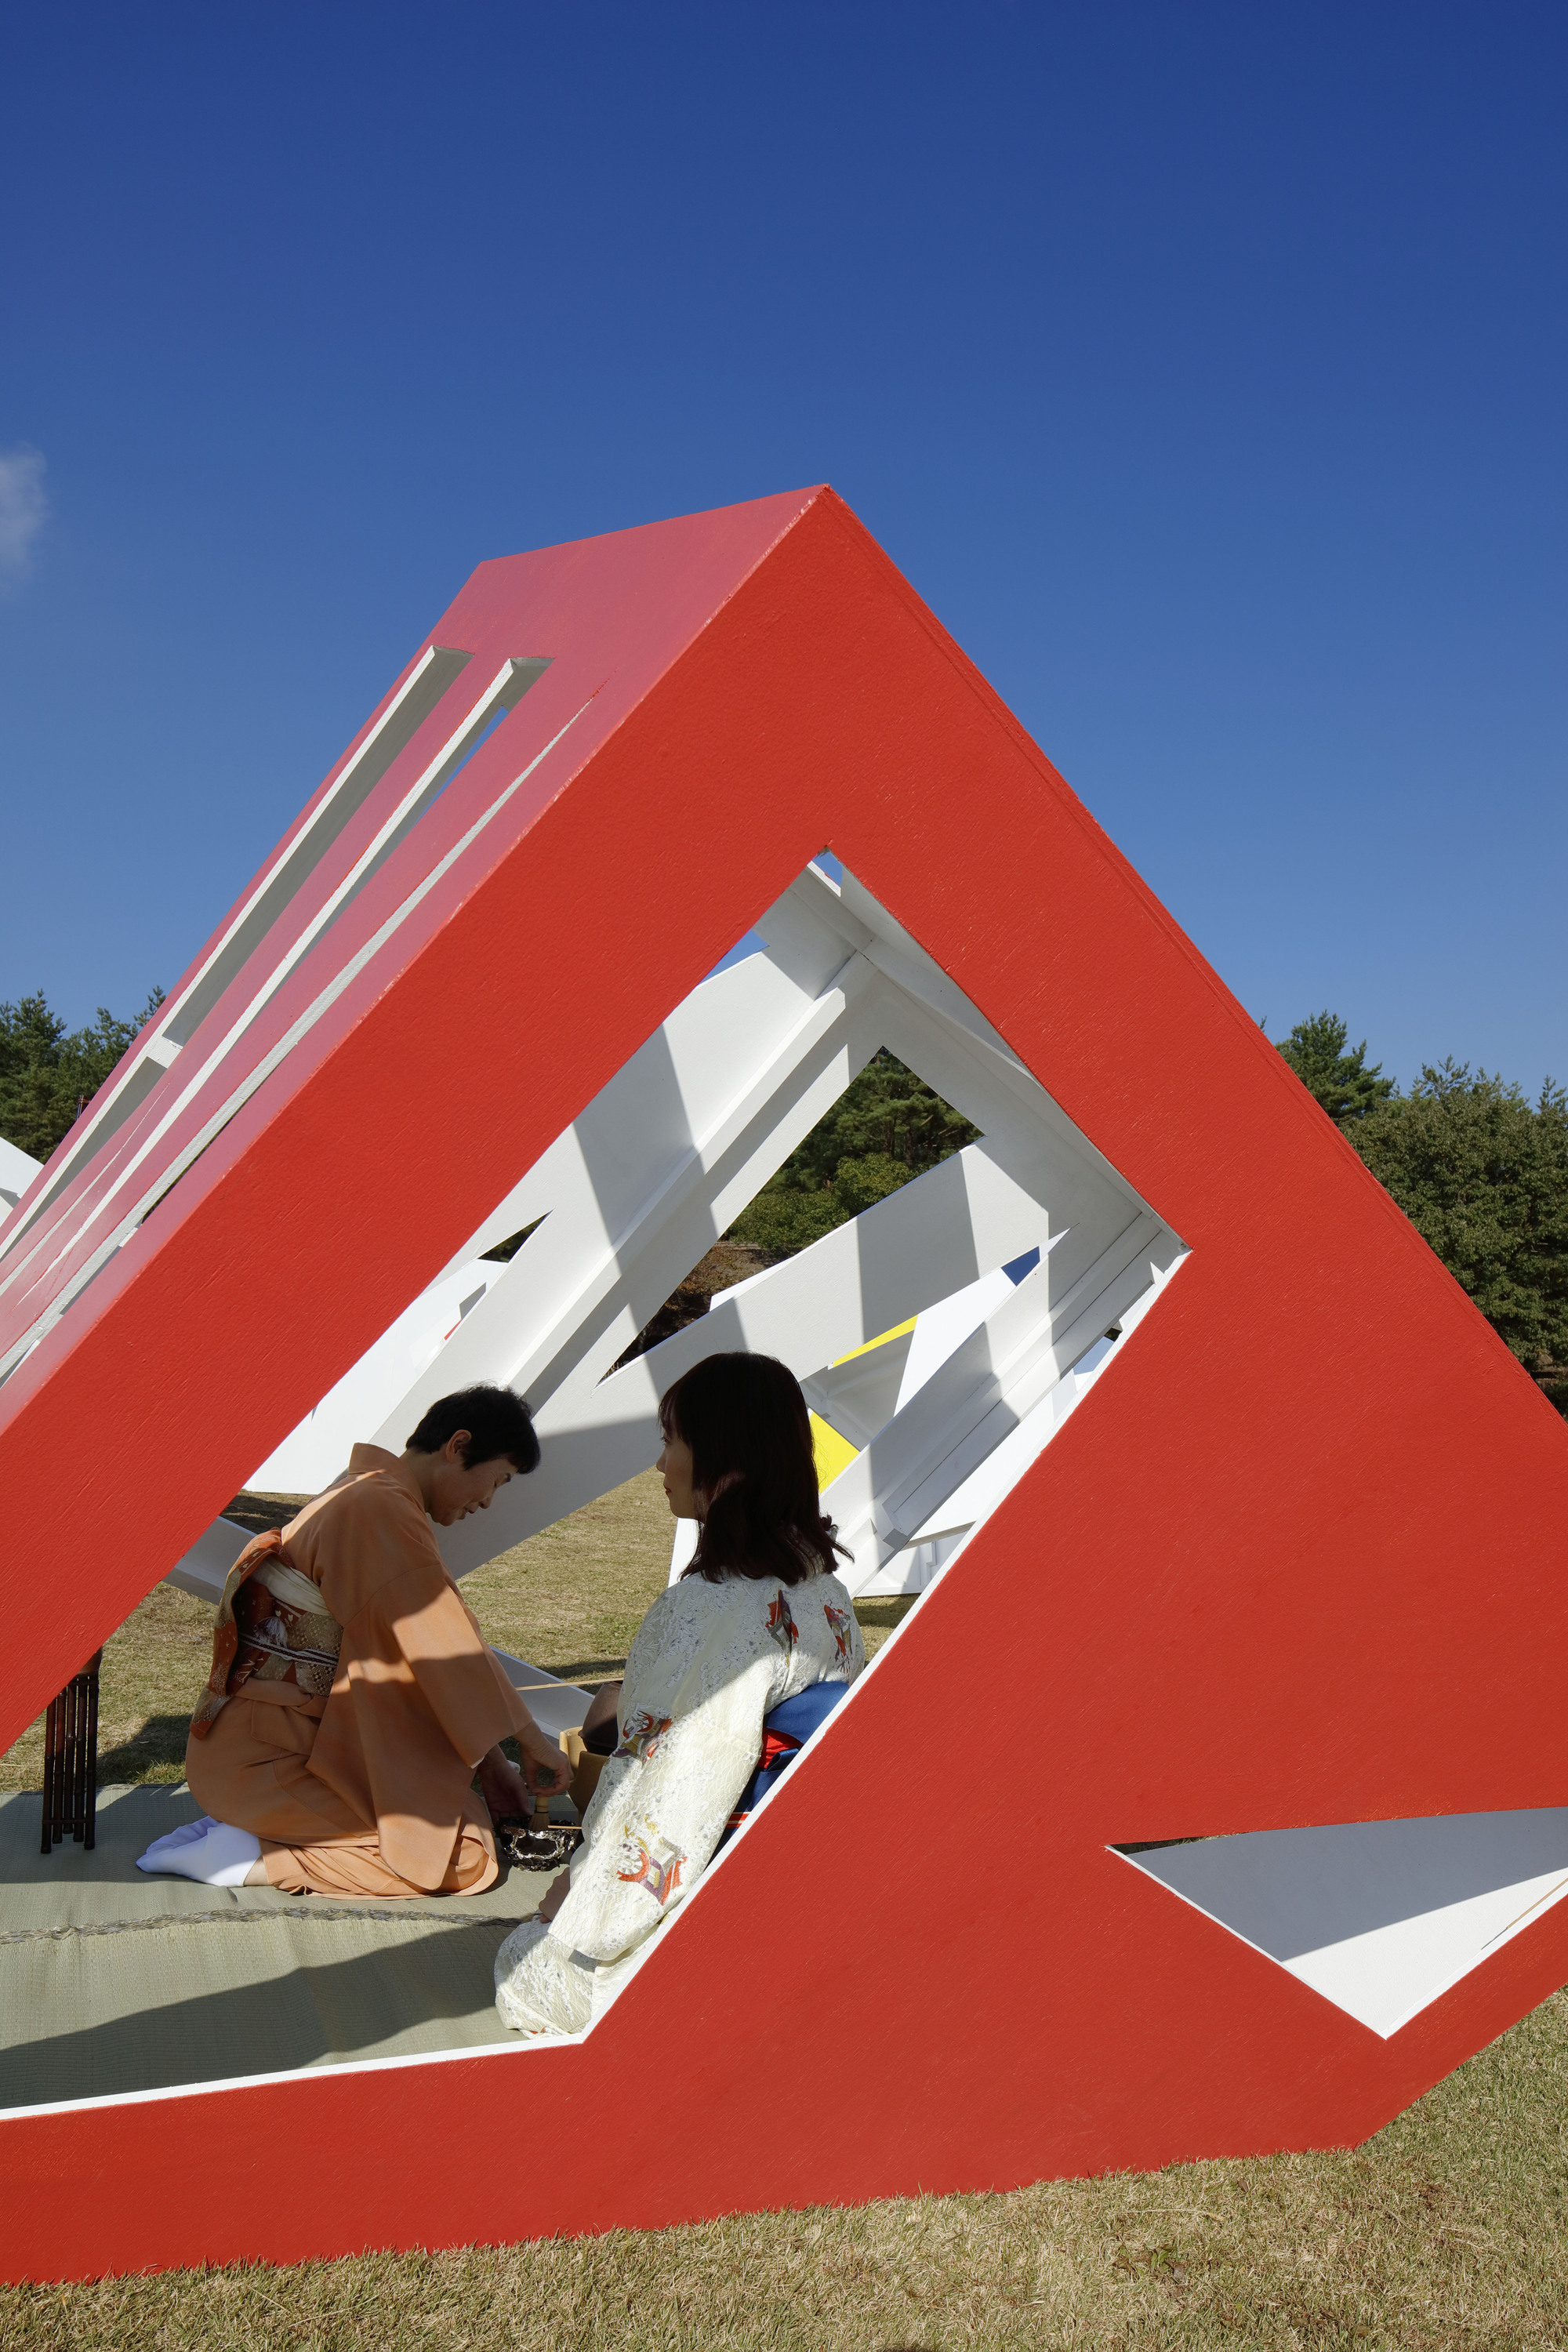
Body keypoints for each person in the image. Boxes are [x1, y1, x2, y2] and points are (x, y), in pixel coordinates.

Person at [494, 1352, 866, 2035]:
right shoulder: (829, 1594)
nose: (661, 1464)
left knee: (526, 1969)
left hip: (714, 1894)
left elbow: (668, 1783)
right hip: (796, 1883)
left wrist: (580, 1897)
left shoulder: (708, 1607)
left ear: (723, 1461)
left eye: (671, 1441)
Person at [136, 1385, 571, 1898]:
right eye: (497, 1479)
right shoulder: (376, 1508)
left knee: (467, 1818)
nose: (488, 1501)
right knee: (464, 1859)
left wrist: (494, 1764)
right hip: (269, 1762)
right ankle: (253, 1855)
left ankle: (250, 1831)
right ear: (457, 1445)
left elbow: (420, 1652)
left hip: (278, 1746)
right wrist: (532, 1741)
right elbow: (444, 1646)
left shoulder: (370, 1494)